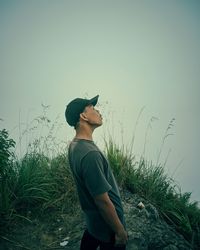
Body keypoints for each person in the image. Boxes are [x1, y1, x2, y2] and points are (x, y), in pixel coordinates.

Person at [65, 95, 128, 250]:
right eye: (92, 108)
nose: (98, 111)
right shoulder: (90, 154)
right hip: (108, 230)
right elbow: (102, 201)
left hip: (94, 226)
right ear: (83, 116)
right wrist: (120, 231)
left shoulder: (75, 146)